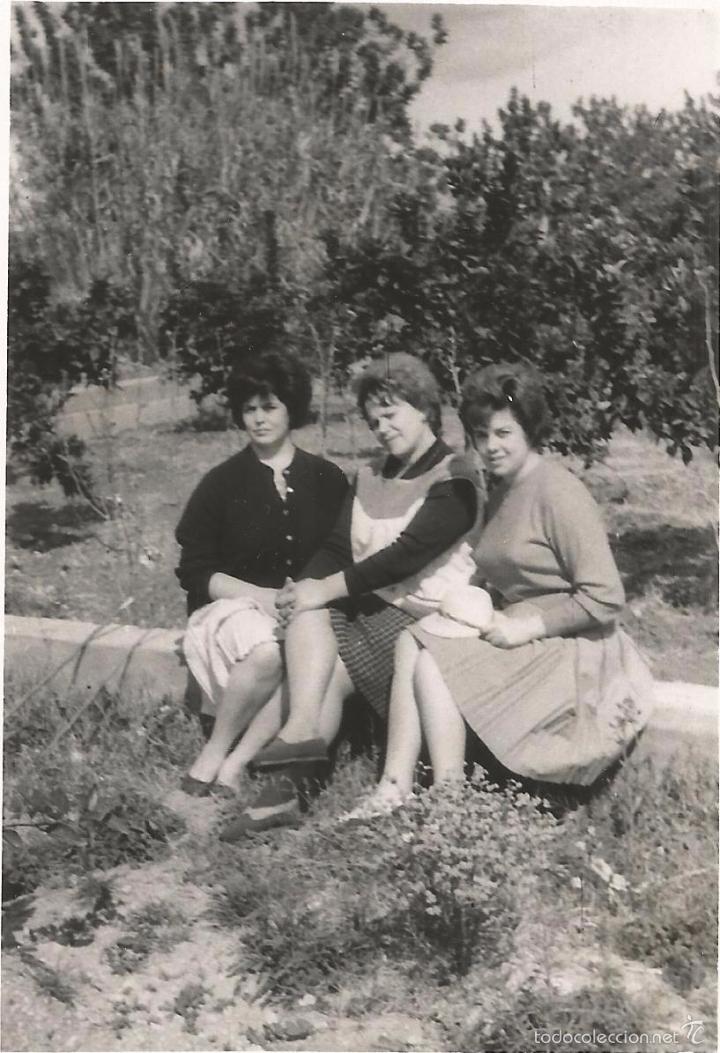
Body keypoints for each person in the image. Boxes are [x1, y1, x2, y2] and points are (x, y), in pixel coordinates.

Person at [346, 360, 654, 819]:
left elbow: (606, 597)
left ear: (529, 428)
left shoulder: (558, 492)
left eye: (503, 433)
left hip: (573, 646)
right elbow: (498, 564)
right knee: (413, 639)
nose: (490, 447)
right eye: (482, 435)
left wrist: (528, 628)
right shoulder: (504, 487)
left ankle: (449, 803)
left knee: (435, 661)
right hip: (518, 623)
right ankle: (396, 785)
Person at [220, 352, 485, 838]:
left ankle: (284, 786)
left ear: (424, 408)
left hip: (426, 627)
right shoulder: (370, 476)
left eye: (391, 413)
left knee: (328, 664)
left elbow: (405, 557)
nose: (382, 427)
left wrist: (321, 590)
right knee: (309, 618)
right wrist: (304, 587)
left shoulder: (456, 477)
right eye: (373, 419)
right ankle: (295, 744)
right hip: (372, 611)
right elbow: (338, 547)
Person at [175, 351, 348, 796]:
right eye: (249, 409)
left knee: (306, 654)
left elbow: (341, 549)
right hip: (231, 610)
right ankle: (214, 751)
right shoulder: (221, 484)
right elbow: (196, 571)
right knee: (271, 650)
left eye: (269, 407)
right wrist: (261, 597)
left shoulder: (326, 478)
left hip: (307, 610)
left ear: (291, 408)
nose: (258, 419)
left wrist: (305, 597)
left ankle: (237, 764)